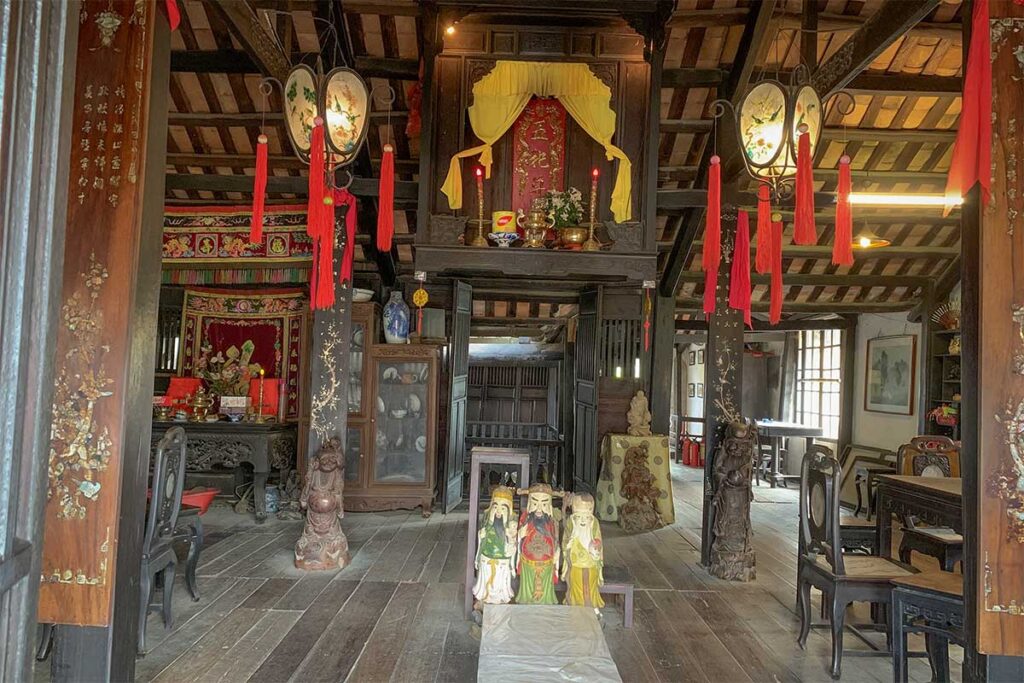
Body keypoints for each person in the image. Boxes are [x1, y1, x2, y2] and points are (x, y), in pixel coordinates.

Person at [515, 483, 561, 604]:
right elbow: (518, 538)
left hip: (546, 562)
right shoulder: (526, 518)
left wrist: (557, 551)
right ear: (530, 503)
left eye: (544, 504)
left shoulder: (551, 521)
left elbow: (556, 540)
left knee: (545, 591)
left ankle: (545, 603)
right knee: (528, 588)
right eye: (535, 503)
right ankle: (526, 602)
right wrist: (521, 533)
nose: (539, 508)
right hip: (528, 562)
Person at [472, 486, 517, 606]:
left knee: (500, 581)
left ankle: (501, 599)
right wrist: (482, 533)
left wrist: (510, 538)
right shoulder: (488, 520)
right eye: (495, 506)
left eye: (503, 508)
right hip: (487, 556)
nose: (498, 511)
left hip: (502, 559)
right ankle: (484, 599)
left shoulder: (511, 524)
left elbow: (514, 544)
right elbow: (482, 536)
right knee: (486, 581)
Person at [562, 493, 604, 611]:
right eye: (579, 517)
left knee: (590, 588)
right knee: (576, 587)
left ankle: (592, 608)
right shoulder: (571, 522)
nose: (582, 520)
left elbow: (598, 542)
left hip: (591, 563)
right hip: (575, 564)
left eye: (586, 517)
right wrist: (568, 545)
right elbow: (565, 541)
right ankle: (575, 607)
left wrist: (597, 554)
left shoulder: (594, 524)